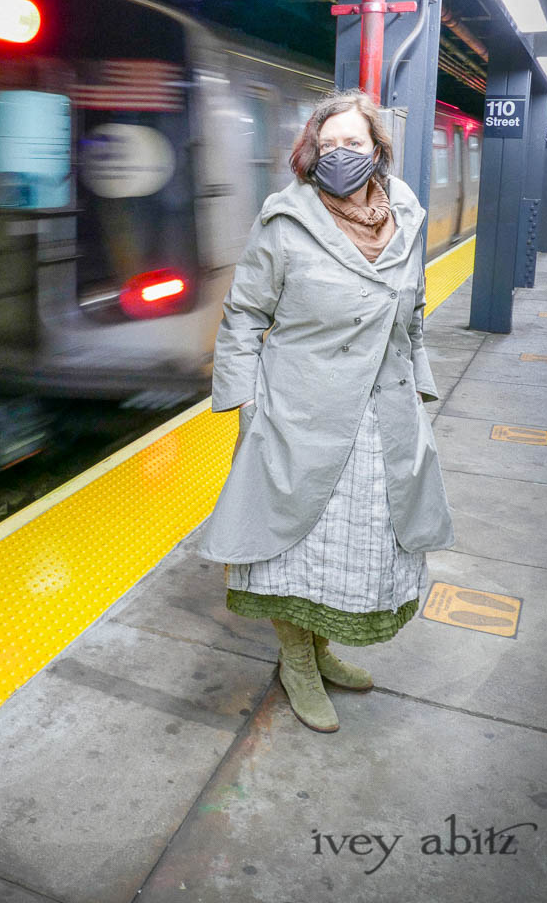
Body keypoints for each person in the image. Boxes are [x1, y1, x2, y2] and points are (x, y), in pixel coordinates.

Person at [198, 88, 454, 734]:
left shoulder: (409, 220)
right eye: (329, 143)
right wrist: (248, 407)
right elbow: (243, 317)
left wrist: (420, 397)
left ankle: (321, 651)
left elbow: (414, 317)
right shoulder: (285, 222)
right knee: (292, 549)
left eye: (355, 143)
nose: (341, 153)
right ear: (312, 152)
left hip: (379, 421)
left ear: (378, 152)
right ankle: (297, 663)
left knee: (351, 551)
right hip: (298, 416)